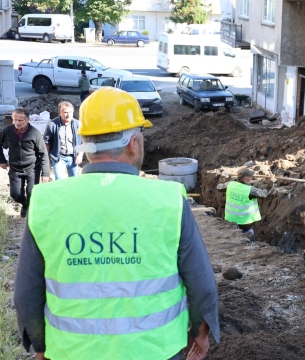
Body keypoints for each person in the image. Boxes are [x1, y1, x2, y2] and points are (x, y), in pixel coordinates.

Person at [14, 87, 219, 360]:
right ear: (134, 142)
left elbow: (27, 295)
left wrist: (40, 347)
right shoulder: (168, 199)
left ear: (84, 144)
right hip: (157, 351)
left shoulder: (46, 201)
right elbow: (202, 284)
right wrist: (201, 333)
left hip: (71, 352)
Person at [0, 108, 50, 217]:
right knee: (15, 194)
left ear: (28, 120)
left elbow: (43, 153)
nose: (17, 123)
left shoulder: (34, 133)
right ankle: (25, 204)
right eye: (15, 120)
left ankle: (30, 209)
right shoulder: (7, 131)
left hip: (32, 168)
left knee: (32, 193)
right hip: (15, 168)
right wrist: (2, 160)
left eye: (20, 120)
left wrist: (45, 173)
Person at [223, 167, 274, 242]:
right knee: (249, 237)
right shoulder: (249, 190)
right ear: (244, 179)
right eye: (249, 176)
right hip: (244, 222)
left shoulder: (230, 185)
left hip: (230, 220)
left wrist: (227, 179)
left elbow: (219, 187)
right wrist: (270, 185)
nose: (251, 177)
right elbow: (264, 193)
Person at [43, 101, 84, 179]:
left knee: (73, 181)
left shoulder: (78, 124)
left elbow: (84, 141)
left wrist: (80, 155)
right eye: (65, 112)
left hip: (73, 157)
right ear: (60, 113)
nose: (68, 115)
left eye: (70, 112)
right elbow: (47, 143)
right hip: (59, 158)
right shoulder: (52, 125)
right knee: (59, 180)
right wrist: (47, 159)